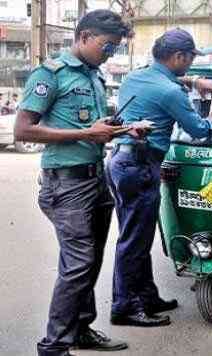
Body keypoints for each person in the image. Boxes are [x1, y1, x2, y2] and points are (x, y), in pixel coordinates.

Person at [14, 9, 133, 356]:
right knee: (78, 263)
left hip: (95, 179)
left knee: (91, 260)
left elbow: (93, 130)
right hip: (66, 186)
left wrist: (121, 128)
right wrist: (87, 132)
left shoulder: (94, 76)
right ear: (83, 36)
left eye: (114, 49)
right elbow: (24, 129)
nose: (109, 54)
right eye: (107, 46)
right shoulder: (51, 74)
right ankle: (54, 346)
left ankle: (81, 328)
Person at [106, 28, 212, 327]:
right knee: (133, 241)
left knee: (136, 236)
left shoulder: (135, 76)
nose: (189, 64)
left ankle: (147, 296)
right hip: (141, 164)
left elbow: (165, 81)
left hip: (121, 162)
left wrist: (193, 80)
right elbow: (201, 132)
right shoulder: (171, 92)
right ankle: (124, 307)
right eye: (189, 59)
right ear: (178, 57)